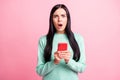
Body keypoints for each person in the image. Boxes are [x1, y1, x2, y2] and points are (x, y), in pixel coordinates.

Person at [36, 4, 86, 80]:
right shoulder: (43, 40)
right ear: (51, 19)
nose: (59, 19)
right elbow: (39, 71)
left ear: (67, 19)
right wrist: (54, 61)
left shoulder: (78, 39)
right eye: (56, 16)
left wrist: (69, 61)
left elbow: (82, 68)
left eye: (63, 16)